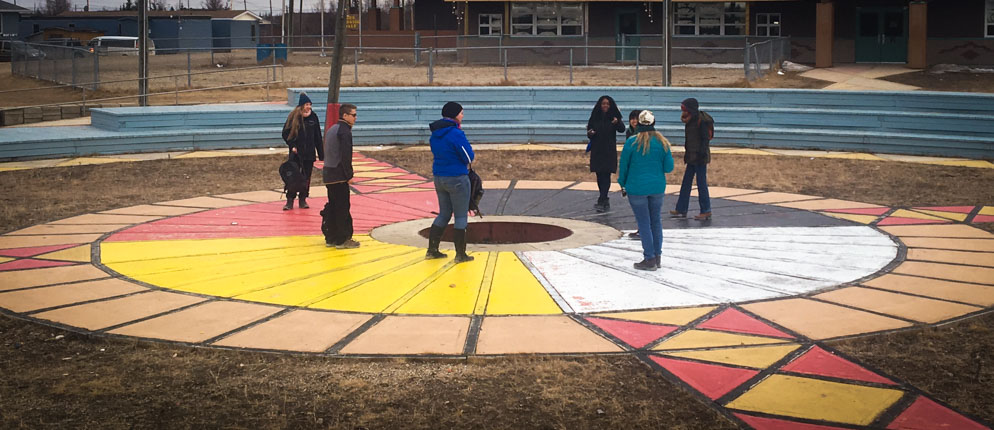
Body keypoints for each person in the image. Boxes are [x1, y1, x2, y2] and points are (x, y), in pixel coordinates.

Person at [618, 110, 674, 271]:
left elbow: (624, 166)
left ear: (638, 124)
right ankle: (657, 257)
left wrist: (622, 183)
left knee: (643, 223)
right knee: (656, 221)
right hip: (657, 187)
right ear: (654, 123)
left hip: (636, 188)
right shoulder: (663, 142)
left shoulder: (632, 142)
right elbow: (668, 167)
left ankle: (649, 258)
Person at [426, 102, 476, 263]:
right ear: (454, 115)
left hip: (439, 177)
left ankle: (432, 250)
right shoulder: (455, 133)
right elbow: (468, 157)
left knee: (444, 214)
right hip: (457, 178)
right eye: (461, 113)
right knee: (461, 216)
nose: (463, 116)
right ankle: (460, 254)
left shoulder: (435, 133)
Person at [322, 103, 359, 249]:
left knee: (333, 206)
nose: (356, 118)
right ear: (345, 116)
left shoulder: (333, 129)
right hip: (339, 175)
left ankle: (331, 237)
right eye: (353, 115)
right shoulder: (344, 132)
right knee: (343, 207)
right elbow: (345, 156)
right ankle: (343, 239)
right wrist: (349, 174)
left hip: (329, 173)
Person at [671, 97, 714, 221]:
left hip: (700, 157)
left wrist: (701, 153)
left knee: (701, 184)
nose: (682, 112)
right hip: (691, 156)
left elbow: (705, 139)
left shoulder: (701, 121)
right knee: (686, 183)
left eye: (684, 109)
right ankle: (681, 208)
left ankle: (706, 210)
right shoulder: (690, 120)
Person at [282, 92, 324, 210]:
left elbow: (317, 136)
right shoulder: (293, 116)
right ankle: (290, 200)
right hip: (296, 154)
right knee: (293, 177)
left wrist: (321, 154)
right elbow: (285, 133)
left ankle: (303, 199)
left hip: (309, 154)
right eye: (306, 104)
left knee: (306, 177)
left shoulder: (313, 117)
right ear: (301, 105)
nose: (308, 107)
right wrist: (292, 145)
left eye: (310, 104)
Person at [586, 95, 625, 212]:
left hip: (609, 150)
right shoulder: (595, 116)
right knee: (599, 174)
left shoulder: (614, 117)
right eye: (603, 104)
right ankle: (602, 197)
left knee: (606, 174)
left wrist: (617, 122)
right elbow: (589, 130)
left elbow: (622, 129)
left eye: (607, 104)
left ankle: (603, 198)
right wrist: (591, 133)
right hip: (597, 149)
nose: (605, 106)